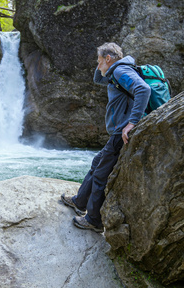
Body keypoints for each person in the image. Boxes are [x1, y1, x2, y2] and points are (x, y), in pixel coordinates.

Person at [61, 42, 151, 233]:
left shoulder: (120, 71)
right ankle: (80, 201)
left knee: (102, 173)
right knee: (97, 162)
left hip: (122, 132)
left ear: (108, 59)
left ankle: (94, 220)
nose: (98, 64)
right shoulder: (116, 72)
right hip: (119, 131)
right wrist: (102, 65)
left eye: (99, 60)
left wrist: (131, 123)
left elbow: (144, 90)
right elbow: (99, 79)